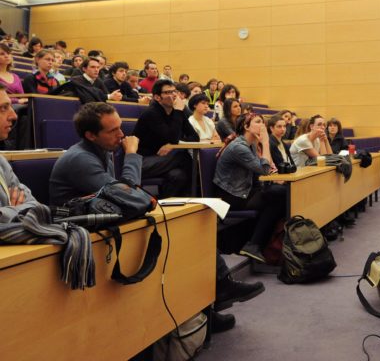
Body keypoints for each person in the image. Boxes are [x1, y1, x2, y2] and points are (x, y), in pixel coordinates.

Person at [48, 102, 261, 335]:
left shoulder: (102, 151)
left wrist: (130, 180)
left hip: (109, 223)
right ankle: (212, 302)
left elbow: (126, 194)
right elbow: (129, 194)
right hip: (84, 236)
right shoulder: (80, 159)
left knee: (185, 233)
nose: (122, 134)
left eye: (121, 127)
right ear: (90, 135)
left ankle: (206, 308)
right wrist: (131, 154)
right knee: (172, 243)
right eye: (113, 130)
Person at [213, 113, 286, 262]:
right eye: (258, 122)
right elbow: (264, 170)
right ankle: (255, 244)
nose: (263, 126)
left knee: (280, 194)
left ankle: (257, 244)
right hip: (231, 196)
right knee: (280, 195)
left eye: (263, 123)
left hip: (245, 191)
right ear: (246, 127)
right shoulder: (239, 147)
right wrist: (265, 143)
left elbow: (261, 174)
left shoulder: (250, 144)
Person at [133, 79, 198, 198]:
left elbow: (195, 137)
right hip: (142, 162)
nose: (173, 95)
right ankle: (198, 195)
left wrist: (172, 146)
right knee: (183, 156)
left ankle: (165, 204)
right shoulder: (151, 113)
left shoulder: (177, 112)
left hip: (165, 160)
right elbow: (171, 137)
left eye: (174, 91)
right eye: (168, 92)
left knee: (178, 175)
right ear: (157, 97)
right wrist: (179, 111)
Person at [55, 57, 122, 103]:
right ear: (84, 69)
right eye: (93, 67)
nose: (96, 70)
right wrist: (109, 96)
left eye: (98, 67)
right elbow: (87, 94)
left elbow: (105, 95)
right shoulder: (76, 80)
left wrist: (114, 96)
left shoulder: (99, 81)